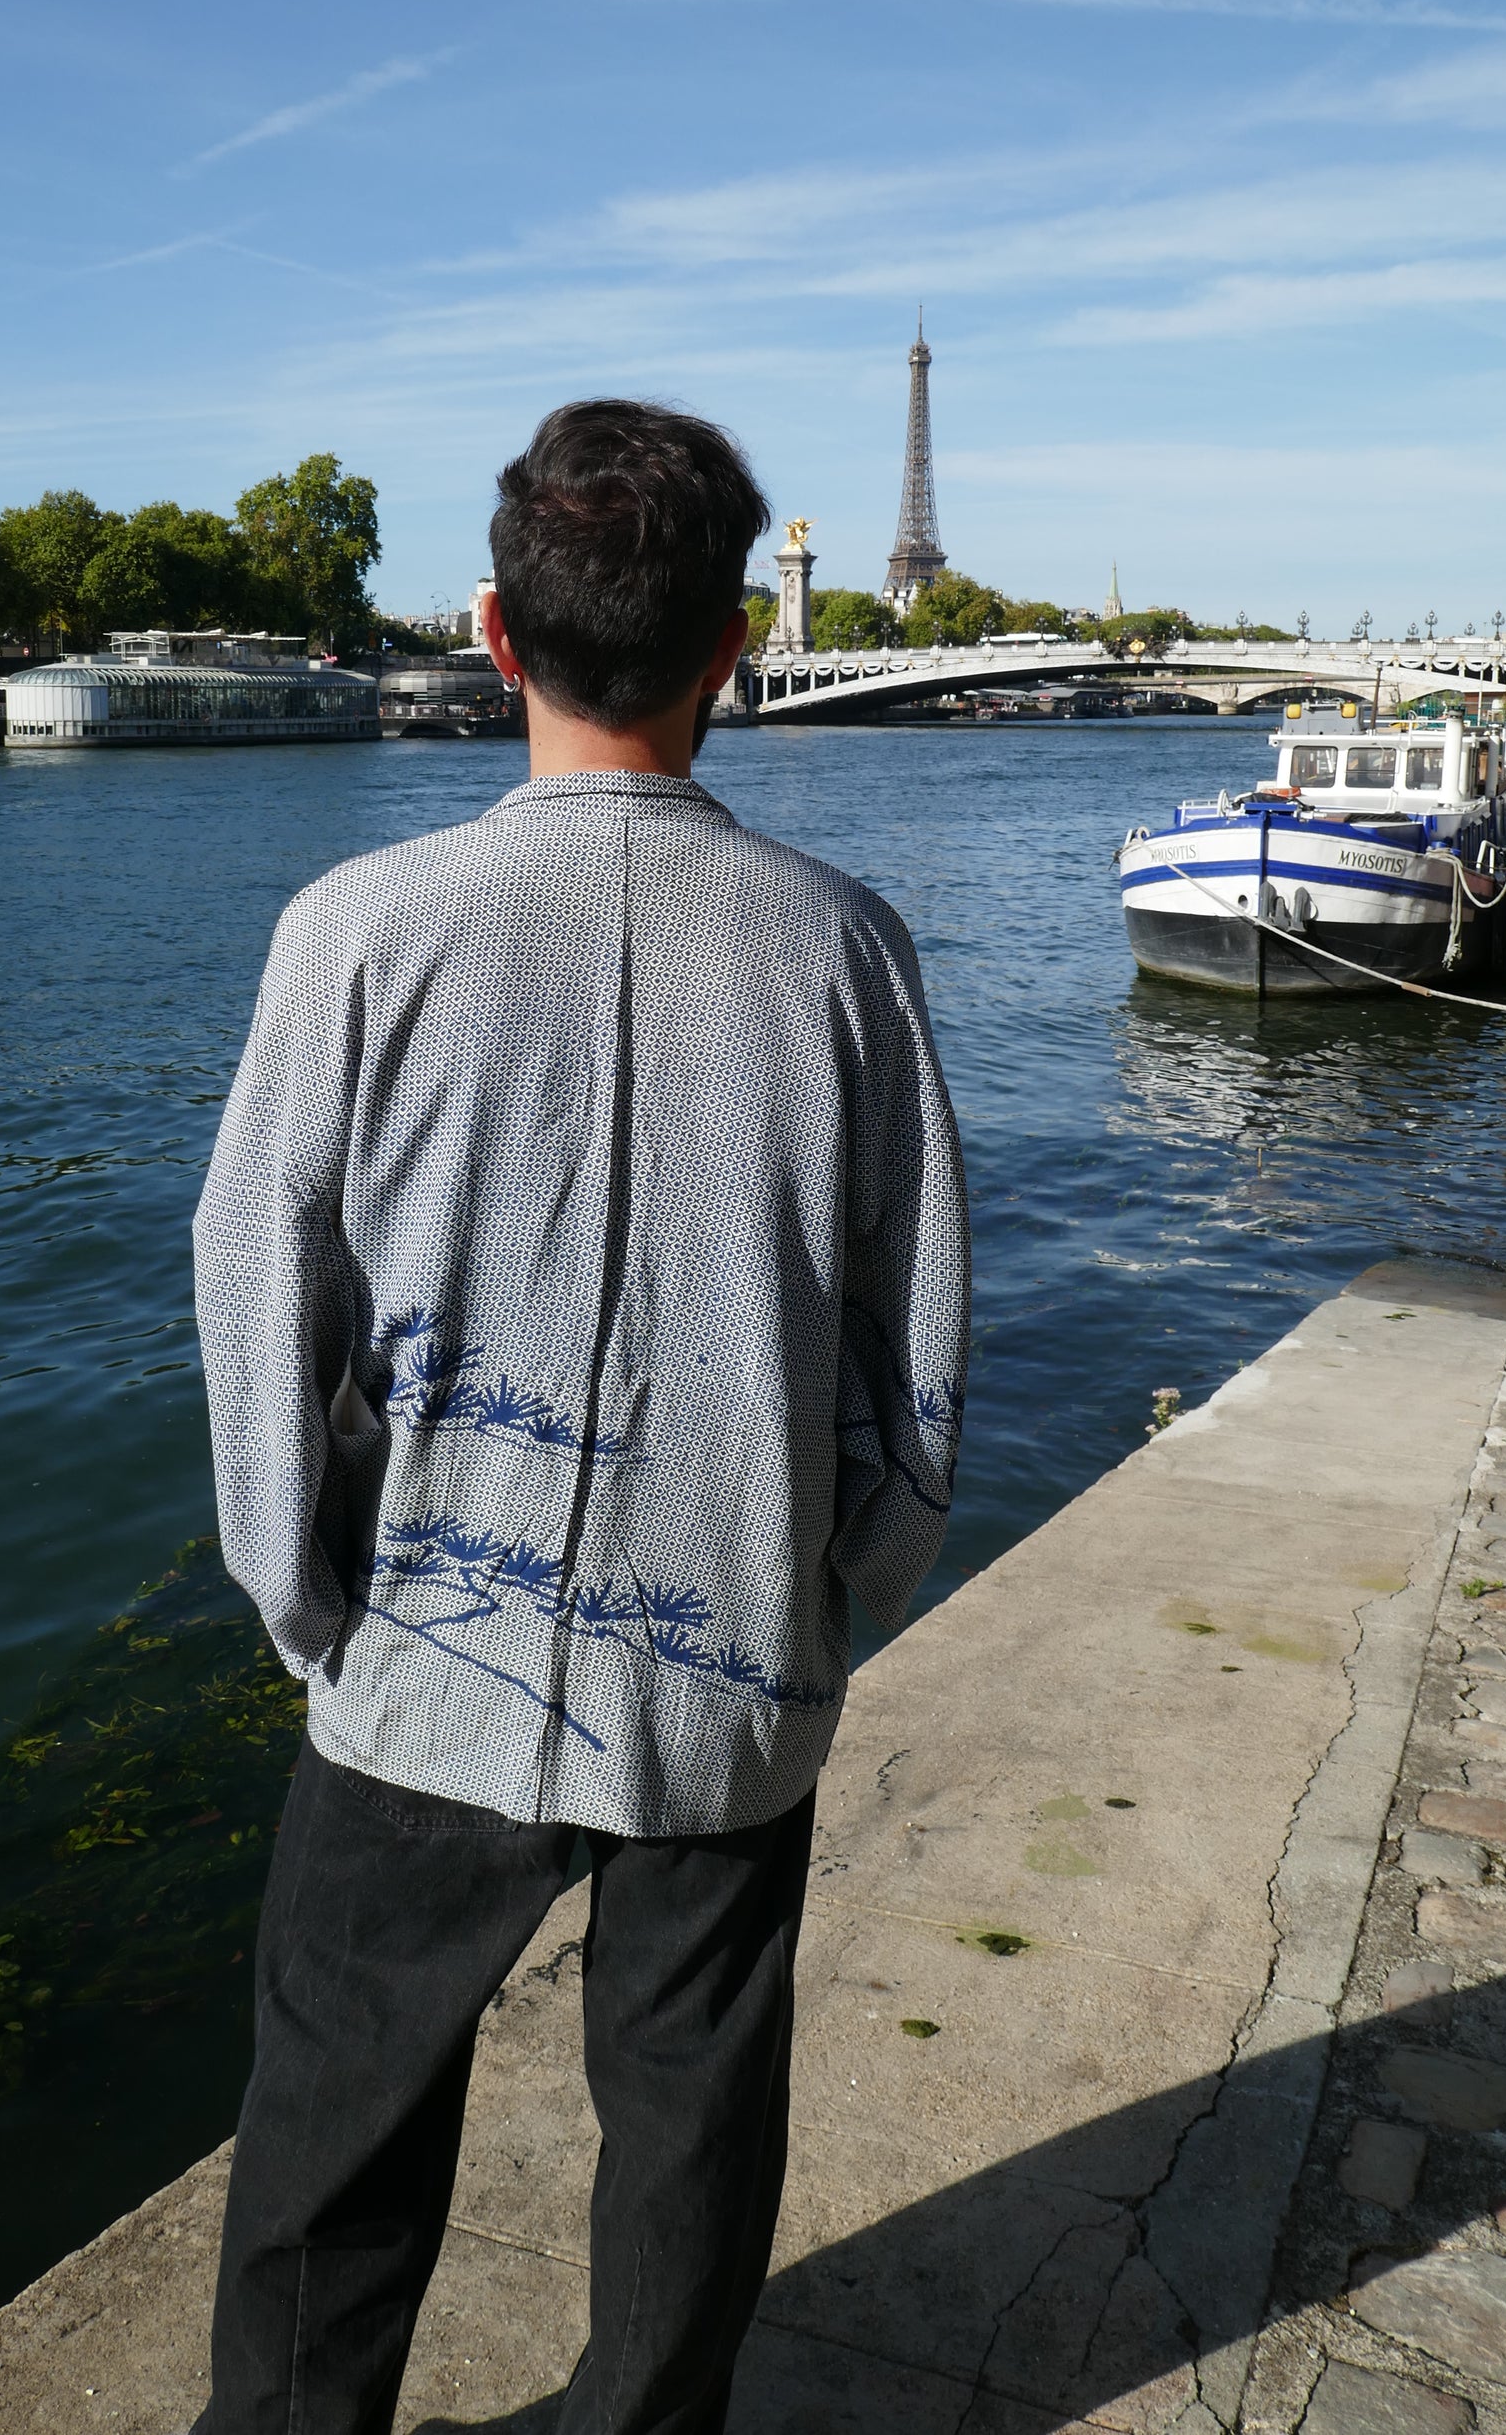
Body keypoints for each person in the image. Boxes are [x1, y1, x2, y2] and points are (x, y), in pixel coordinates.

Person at [190, 400, 970, 2435]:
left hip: (422, 1648)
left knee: (327, 2154)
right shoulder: (848, 950)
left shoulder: (352, 933)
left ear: (492, 632)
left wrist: (308, 1601)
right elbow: (921, 1342)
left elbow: (258, 1294)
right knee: (691, 2126)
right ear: (735, 648)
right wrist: (830, 1593)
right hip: (730, 1642)